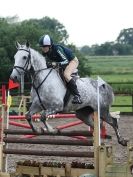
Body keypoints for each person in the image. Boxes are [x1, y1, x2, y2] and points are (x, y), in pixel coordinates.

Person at [38, 34, 82, 104]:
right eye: (42, 47)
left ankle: (77, 96)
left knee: (66, 75)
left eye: (44, 46)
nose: (43, 48)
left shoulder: (57, 49)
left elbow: (66, 61)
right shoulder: (45, 52)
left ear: (50, 46)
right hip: (62, 63)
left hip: (72, 61)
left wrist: (56, 64)